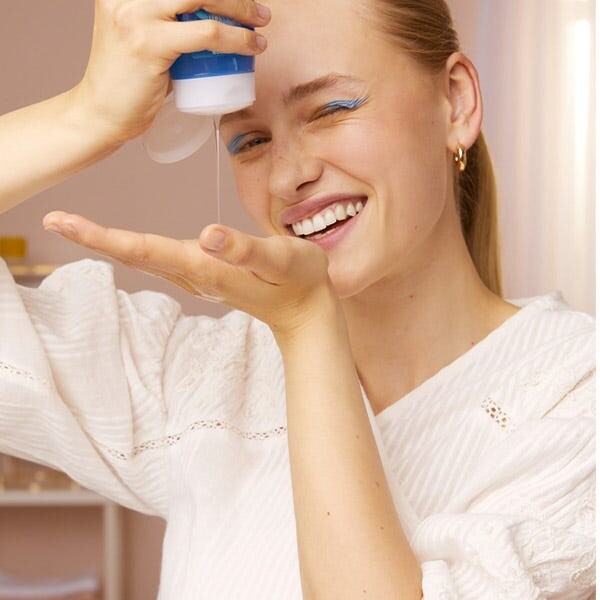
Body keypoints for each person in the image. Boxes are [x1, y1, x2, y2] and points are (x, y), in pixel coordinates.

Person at [0, 0, 595, 598]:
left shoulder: (574, 403)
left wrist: (310, 327)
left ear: (456, 101)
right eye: (249, 140)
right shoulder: (202, 382)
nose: (288, 177)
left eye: (332, 109)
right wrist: (87, 116)